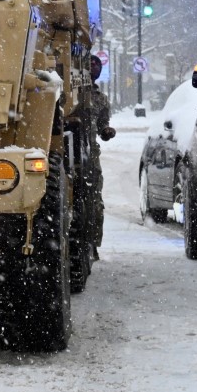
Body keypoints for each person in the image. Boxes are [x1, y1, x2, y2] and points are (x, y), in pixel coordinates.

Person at [86, 55, 115, 255]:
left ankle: (93, 244)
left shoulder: (100, 98)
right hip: (73, 152)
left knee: (95, 200)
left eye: (96, 65)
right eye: (90, 64)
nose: (93, 67)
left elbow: (103, 125)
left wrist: (106, 131)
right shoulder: (70, 92)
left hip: (91, 155)